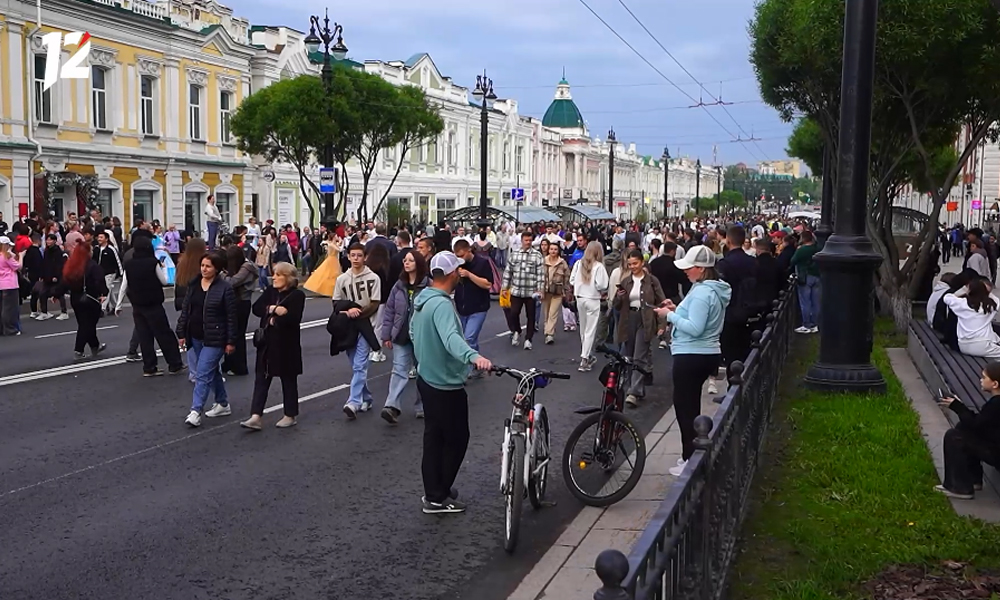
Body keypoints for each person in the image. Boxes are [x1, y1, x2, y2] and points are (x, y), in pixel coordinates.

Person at [411, 251, 493, 514]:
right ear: (450, 274)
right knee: (457, 439)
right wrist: (473, 356)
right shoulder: (443, 305)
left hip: (427, 377)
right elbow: (451, 339)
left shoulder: (423, 301)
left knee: (434, 438)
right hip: (445, 383)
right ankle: (438, 494)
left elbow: (413, 332)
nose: (460, 273)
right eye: (457, 270)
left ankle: (434, 490)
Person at [654, 245, 731, 476]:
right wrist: (677, 308)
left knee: (685, 410)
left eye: (689, 267)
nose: (685, 271)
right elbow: (701, 318)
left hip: (692, 354)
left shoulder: (701, 292)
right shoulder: (711, 289)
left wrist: (670, 316)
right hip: (706, 353)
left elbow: (696, 328)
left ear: (700, 269)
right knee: (690, 408)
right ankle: (693, 455)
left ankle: (691, 458)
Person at [240, 262, 306, 431]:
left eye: (278, 275)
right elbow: (257, 308)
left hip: (286, 345)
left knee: (288, 380)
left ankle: (290, 415)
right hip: (267, 344)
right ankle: (256, 416)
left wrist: (274, 318)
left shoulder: (297, 295)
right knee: (261, 379)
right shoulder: (270, 292)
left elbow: (292, 318)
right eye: (274, 274)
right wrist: (273, 309)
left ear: (288, 278)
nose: (274, 278)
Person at [176, 252, 238, 427]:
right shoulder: (194, 284)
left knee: (202, 374)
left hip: (215, 338)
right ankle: (223, 403)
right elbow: (186, 310)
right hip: (195, 336)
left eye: (208, 266)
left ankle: (195, 411)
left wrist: (231, 341)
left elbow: (231, 317)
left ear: (217, 268)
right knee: (213, 372)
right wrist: (181, 332)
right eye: (202, 265)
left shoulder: (224, 288)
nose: (204, 269)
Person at [119, 236, 186, 376]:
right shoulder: (152, 262)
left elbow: (124, 285)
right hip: (153, 303)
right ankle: (174, 364)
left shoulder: (129, 264)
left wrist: (118, 304)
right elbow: (163, 280)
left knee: (145, 336)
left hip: (137, 305)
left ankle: (149, 367)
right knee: (164, 334)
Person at [935, 362, 1000, 499]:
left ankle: (960, 487)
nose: (981, 380)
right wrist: (960, 407)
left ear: (995, 384)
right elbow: (981, 423)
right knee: (963, 428)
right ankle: (973, 478)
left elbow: (977, 425)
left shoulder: (996, 404)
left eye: (984, 377)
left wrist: (958, 407)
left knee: (954, 436)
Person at [380, 250, 429, 423]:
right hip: (401, 335)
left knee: (423, 372)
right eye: (405, 260)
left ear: (419, 264)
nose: (406, 263)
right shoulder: (398, 286)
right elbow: (389, 311)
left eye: (411, 260)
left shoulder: (428, 285)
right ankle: (391, 406)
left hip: (421, 337)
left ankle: (422, 406)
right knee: (399, 370)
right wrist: (386, 335)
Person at [613, 249, 667, 407]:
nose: (632, 267)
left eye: (635, 263)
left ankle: (633, 391)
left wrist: (662, 325)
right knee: (628, 356)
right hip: (628, 318)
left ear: (642, 263)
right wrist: (619, 296)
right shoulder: (625, 281)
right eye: (629, 264)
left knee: (639, 355)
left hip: (646, 319)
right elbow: (616, 305)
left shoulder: (652, 281)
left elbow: (661, 301)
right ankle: (637, 387)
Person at [334, 242, 382, 419]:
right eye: (353, 255)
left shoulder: (373, 278)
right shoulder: (342, 279)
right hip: (348, 327)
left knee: (360, 365)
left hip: (367, 326)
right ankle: (367, 397)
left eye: (359, 255)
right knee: (356, 366)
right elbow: (336, 303)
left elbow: (375, 303)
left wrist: (359, 313)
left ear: (365, 257)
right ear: (348, 256)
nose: (356, 259)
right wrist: (347, 312)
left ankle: (353, 402)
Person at [452, 239, 494, 378]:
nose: (460, 259)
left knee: (469, 339)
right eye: (457, 256)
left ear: (469, 251)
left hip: (478, 307)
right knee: (467, 339)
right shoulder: (456, 266)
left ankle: (467, 369)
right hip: (462, 307)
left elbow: (488, 284)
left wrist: (469, 275)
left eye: (462, 256)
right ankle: (478, 364)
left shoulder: (482, 263)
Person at [62, 242, 109, 357]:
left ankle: (95, 346)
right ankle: (78, 350)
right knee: (87, 325)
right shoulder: (92, 265)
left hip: (75, 298)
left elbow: (64, 282)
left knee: (84, 323)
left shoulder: (72, 265)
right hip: (90, 298)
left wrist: (56, 293)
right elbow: (99, 281)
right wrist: (104, 293)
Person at [570, 241, 610, 372]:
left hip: (580, 298)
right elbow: (602, 285)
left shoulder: (578, 264)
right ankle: (585, 358)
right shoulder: (599, 267)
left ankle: (586, 354)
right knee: (590, 330)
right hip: (592, 299)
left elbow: (571, 280)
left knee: (583, 329)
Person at [501, 231, 545, 350]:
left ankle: (528, 339)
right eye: (526, 240)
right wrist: (505, 287)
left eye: (530, 240)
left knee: (531, 316)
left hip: (531, 292)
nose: (528, 242)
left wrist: (540, 290)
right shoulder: (514, 254)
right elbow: (508, 272)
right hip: (516, 290)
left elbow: (541, 274)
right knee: (514, 313)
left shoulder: (537, 255)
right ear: (521, 241)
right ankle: (517, 330)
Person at [222, 245, 258, 376]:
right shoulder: (241, 267)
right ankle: (229, 363)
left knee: (237, 334)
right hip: (236, 301)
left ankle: (239, 366)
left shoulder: (246, 268)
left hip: (242, 302)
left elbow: (232, 282)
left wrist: (222, 275)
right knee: (231, 333)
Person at [943, 278, 1000, 358]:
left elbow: (947, 297)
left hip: (963, 345)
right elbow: (997, 300)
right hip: (983, 344)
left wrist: (964, 289)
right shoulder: (990, 306)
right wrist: (985, 292)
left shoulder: (962, 304)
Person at [791, 230, 820, 333]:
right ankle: (815, 324)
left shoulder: (802, 250)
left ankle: (807, 325)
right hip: (817, 276)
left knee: (805, 302)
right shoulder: (817, 248)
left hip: (805, 276)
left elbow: (793, 261)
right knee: (815, 302)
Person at [540, 241, 570, 345]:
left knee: (553, 313)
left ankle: (550, 334)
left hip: (558, 291)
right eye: (551, 249)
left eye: (555, 249)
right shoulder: (543, 261)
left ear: (558, 251)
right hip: (546, 291)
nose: (553, 251)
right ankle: (547, 329)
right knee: (547, 312)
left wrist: (567, 291)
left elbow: (567, 277)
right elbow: (539, 276)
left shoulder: (562, 263)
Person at [94, 230, 123, 314]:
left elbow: (118, 260)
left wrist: (120, 272)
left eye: (101, 237)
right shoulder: (96, 249)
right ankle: (114, 306)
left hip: (109, 272)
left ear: (106, 239)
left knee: (107, 288)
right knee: (109, 290)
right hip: (99, 273)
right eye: (98, 237)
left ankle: (102, 308)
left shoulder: (111, 249)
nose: (99, 239)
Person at [0, 236, 21, 336]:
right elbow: (18, 266)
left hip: (1, 283)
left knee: (2, 307)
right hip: (10, 284)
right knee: (10, 309)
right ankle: (10, 329)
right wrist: (21, 256)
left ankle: (2, 328)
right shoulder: (6, 256)